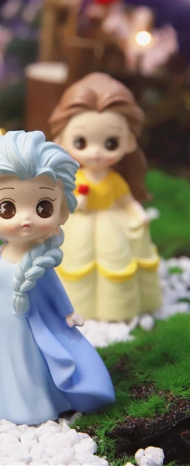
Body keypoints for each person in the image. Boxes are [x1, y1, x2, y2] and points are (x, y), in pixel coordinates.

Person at [0, 130, 115, 425]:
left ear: (60, 211)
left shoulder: (39, 261)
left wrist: (68, 313)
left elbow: (54, 289)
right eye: (8, 208)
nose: (26, 219)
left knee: (29, 357)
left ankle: (32, 401)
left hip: (29, 322)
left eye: (43, 207)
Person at [48, 73, 161, 321]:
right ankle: (70, 306)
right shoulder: (73, 179)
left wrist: (138, 212)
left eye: (110, 143)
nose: (96, 153)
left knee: (116, 258)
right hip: (79, 225)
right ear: (61, 140)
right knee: (75, 260)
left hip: (111, 222)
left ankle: (117, 309)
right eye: (81, 142)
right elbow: (63, 203)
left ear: (129, 142)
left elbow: (126, 200)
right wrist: (76, 203)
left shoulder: (114, 180)